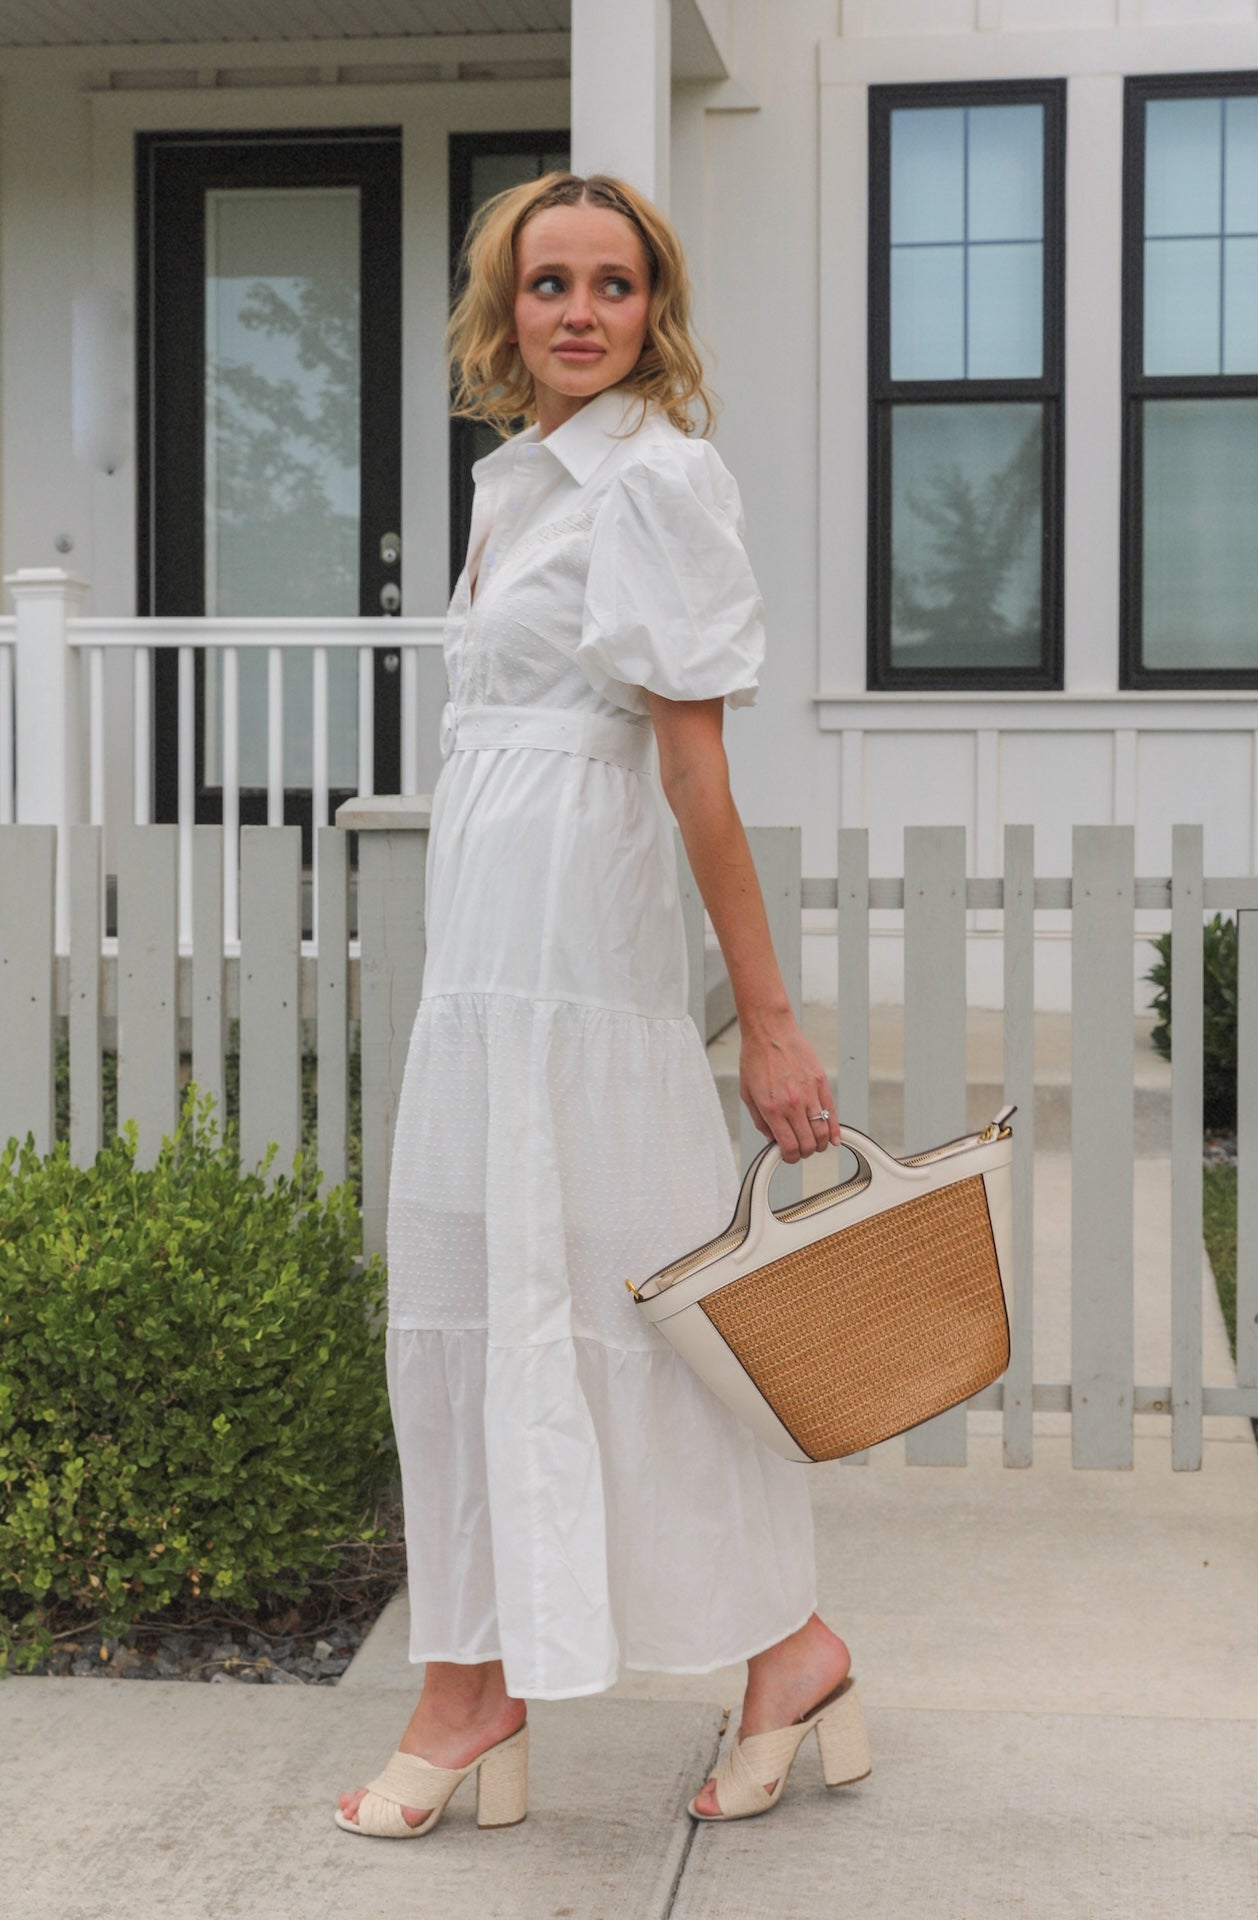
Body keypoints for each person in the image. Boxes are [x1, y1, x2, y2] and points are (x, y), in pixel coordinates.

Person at [336, 171, 867, 1838]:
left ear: (656, 308)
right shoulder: (511, 485)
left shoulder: (657, 481)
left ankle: (776, 1651)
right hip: (488, 945)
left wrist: (766, 1020)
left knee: (629, 1307)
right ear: (506, 311)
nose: (579, 312)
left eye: (613, 285)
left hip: (584, 950)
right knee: (474, 1294)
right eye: (549, 283)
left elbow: (699, 773)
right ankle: (478, 1680)